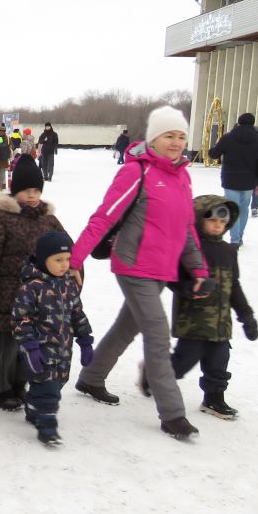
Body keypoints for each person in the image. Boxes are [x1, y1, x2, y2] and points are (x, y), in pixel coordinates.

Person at [68, 106, 211, 440]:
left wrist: (198, 266)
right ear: (153, 138)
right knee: (158, 336)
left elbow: (187, 228)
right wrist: (75, 260)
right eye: (168, 136)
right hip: (134, 266)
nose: (176, 143)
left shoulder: (182, 176)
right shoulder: (137, 172)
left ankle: (91, 378)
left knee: (126, 328)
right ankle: (173, 414)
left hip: (162, 269)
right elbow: (104, 218)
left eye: (181, 137)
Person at [0, 156, 65, 411]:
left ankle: (17, 385)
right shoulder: (2, 219)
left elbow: (65, 250)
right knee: (5, 344)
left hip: (38, 298)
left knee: (29, 343)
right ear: (16, 191)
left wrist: (73, 273)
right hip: (5, 295)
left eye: (36, 190)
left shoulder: (49, 220)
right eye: (27, 191)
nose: (33, 196)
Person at [153, 196, 257, 420]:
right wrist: (190, 288)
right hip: (194, 321)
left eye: (223, 220)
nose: (218, 224)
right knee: (183, 362)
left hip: (220, 323)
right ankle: (154, 377)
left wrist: (247, 316)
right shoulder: (189, 248)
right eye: (211, 219)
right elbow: (174, 280)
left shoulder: (229, 251)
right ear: (198, 219)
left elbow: (234, 286)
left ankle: (214, 398)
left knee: (219, 360)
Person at [12, 231, 93, 445]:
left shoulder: (68, 284)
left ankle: (33, 406)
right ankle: (47, 426)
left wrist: (85, 340)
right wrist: (30, 347)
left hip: (64, 350)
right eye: (58, 260)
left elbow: (77, 313)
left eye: (67, 259)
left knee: (56, 384)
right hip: (40, 350)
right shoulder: (31, 286)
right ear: (43, 259)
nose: (64, 265)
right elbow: (21, 319)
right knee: (48, 391)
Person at [209, 113, 258, 247]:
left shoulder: (228, 138)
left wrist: (213, 147)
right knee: (244, 209)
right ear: (253, 123)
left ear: (239, 122)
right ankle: (239, 237)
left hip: (230, 179)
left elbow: (214, 154)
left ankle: (235, 240)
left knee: (232, 209)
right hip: (249, 181)